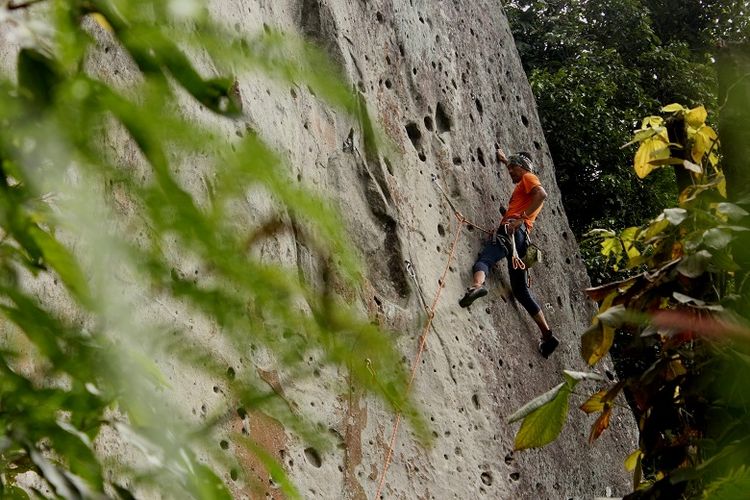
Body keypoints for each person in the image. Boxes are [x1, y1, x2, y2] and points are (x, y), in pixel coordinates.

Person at [458, 149, 560, 358]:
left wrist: (520, 218)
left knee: (485, 259)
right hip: (523, 241)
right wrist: (505, 159)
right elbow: (521, 172)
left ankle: (476, 287)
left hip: (512, 230)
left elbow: (542, 194)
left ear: (522, 168)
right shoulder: (525, 181)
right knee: (520, 290)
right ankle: (547, 335)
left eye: (513, 169)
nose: (510, 173)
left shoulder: (530, 178)